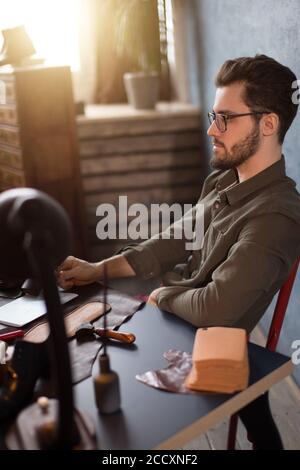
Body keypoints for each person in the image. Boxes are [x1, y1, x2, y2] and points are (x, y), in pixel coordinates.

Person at [57, 55, 300, 449]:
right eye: (212, 115)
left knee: (100, 403)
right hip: (173, 317)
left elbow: (216, 309)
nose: (210, 130)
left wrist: (160, 296)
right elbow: (172, 241)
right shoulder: (224, 180)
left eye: (224, 118)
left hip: (201, 335)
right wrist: (96, 269)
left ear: (268, 124)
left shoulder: (277, 216)